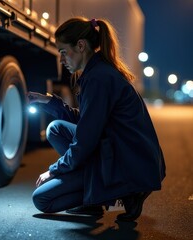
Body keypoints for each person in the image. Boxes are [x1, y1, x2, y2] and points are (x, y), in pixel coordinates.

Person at [28, 17, 166, 221]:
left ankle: (120, 193)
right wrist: (50, 102)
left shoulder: (98, 79)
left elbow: (85, 140)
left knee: (42, 200)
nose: (61, 59)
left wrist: (54, 171)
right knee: (56, 128)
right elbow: (87, 122)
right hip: (119, 154)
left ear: (81, 46)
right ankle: (94, 196)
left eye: (63, 52)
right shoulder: (98, 72)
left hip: (127, 164)